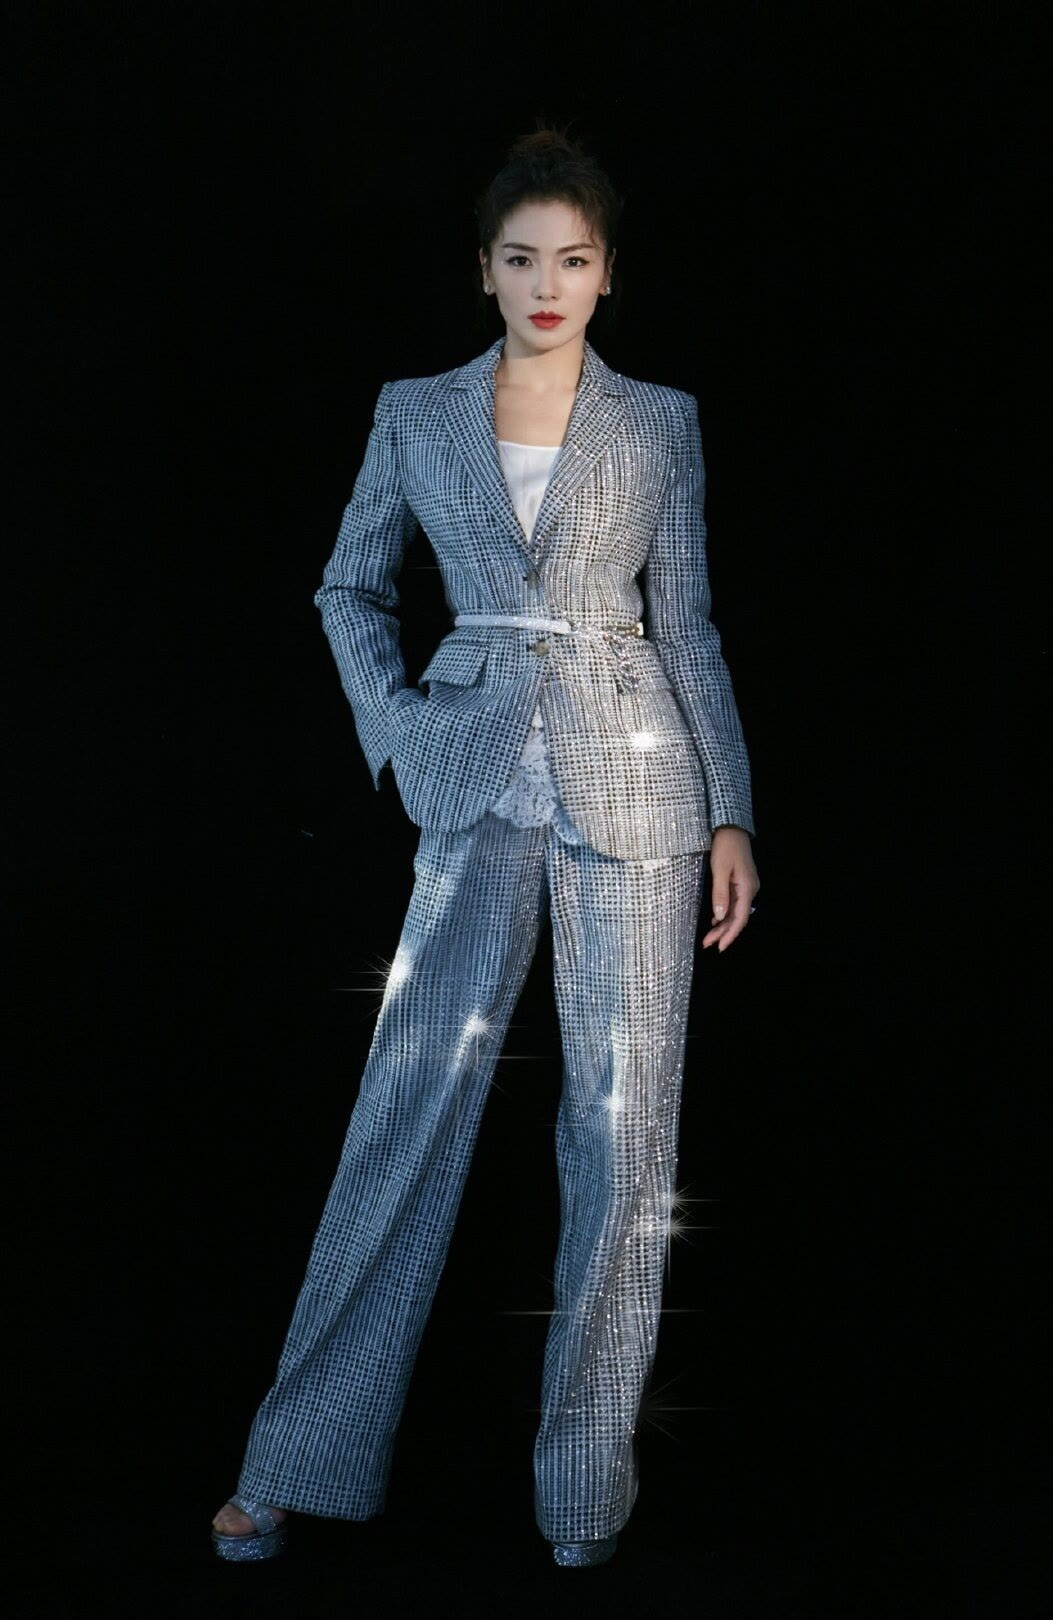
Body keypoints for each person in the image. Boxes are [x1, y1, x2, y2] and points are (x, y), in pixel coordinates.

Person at [211, 126, 760, 1569]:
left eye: (573, 260)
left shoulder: (659, 421)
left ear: (607, 273)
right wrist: (398, 733)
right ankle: (297, 1457)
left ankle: (582, 1496)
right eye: (523, 260)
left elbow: (689, 621)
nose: (547, 286)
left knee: (623, 1139)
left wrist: (731, 810)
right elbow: (347, 588)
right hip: (469, 777)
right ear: (485, 270)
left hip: (638, 784)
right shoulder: (416, 411)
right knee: (403, 1110)